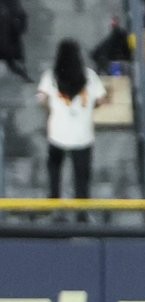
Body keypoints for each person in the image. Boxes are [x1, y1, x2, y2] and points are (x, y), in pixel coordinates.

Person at [36, 39, 108, 208]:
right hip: (82, 136)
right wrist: (88, 106)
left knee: (54, 172)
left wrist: (52, 109)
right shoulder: (90, 76)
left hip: (57, 134)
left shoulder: (51, 76)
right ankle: (81, 214)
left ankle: (54, 206)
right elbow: (102, 100)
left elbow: (41, 99)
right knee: (82, 178)